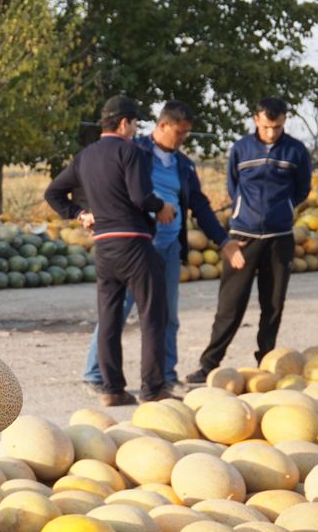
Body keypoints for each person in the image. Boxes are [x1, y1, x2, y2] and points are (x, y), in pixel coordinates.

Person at [82, 101, 246, 395]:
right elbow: (102, 179)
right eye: (179, 132)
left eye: (187, 134)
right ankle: (97, 374)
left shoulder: (183, 165)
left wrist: (223, 240)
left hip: (168, 246)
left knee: (166, 315)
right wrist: (88, 211)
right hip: (134, 243)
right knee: (116, 310)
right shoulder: (134, 150)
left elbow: (200, 206)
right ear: (162, 126)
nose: (183, 138)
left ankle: (165, 374)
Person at [45, 95, 177, 406]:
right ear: (123, 123)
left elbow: (52, 192)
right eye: (134, 122)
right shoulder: (130, 152)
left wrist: (80, 213)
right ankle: (153, 389)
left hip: (104, 246)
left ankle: (112, 389)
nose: (135, 128)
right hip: (134, 243)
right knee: (152, 316)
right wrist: (163, 207)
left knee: (109, 319)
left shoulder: (85, 156)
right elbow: (140, 197)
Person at [185, 97, 312, 383]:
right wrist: (245, 212)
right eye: (267, 126)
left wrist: (285, 208)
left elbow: (302, 188)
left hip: (280, 238)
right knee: (230, 305)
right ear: (256, 119)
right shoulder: (241, 148)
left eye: (277, 127)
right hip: (243, 237)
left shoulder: (296, 150)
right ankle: (209, 364)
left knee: (273, 304)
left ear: (284, 121)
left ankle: (266, 361)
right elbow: (233, 186)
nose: (271, 133)